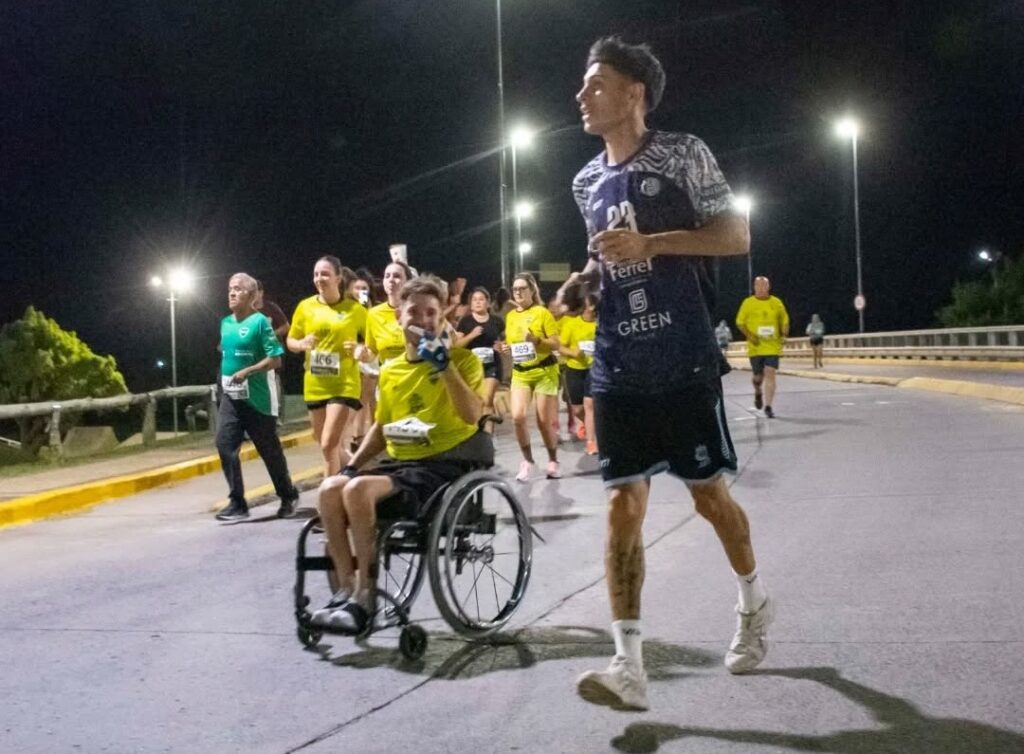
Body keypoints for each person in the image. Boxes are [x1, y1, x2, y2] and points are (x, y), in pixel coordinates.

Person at [560, 36, 770, 711]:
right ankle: (628, 665)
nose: (581, 96)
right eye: (582, 85)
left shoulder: (683, 154)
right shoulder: (585, 182)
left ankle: (753, 602)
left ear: (634, 94)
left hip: (683, 356)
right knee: (622, 505)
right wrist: (585, 281)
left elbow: (735, 235)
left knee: (709, 498)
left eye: (596, 84)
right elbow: (606, 258)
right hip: (617, 362)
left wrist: (652, 243)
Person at [311, 276, 491, 632]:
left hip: (442, 467)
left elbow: (473, 414)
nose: (423, 320)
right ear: (399, 317)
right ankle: (345, 590)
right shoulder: (391, 370)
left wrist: (444, 367)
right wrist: (351, 466)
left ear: (442, 318)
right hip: (399, 464)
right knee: (331, 488)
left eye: (432, 313)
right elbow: (382, 427)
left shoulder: (463, 361)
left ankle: (366, 597)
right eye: (414, 312)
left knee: (357, 491)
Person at [215, 273, 300, 521]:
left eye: (238, 289)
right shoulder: (225, 323)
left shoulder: (261, 322)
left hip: (259, 398)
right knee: (224, 444)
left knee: (268, 450)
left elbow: (276, 360)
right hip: (231, 397)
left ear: (252, 296)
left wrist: (248, 371)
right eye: (230, 288)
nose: (232, 293)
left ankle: (288, 495)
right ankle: (237, 503)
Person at [287, 256, 367, 476]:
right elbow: (291, 340)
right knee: (327, 445)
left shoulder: (355, 310)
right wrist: (301, 344)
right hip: (315, 384)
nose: (319, 279)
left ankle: (328, 494)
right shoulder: (305, 307)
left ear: (338, 278)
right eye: (316, 274)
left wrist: (361, 349)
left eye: (325, 274)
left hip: (344, 384)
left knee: (328, 445)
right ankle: (361, 475)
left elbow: (372, 343)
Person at [503, 272, 562, 481]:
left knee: (543, 422)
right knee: (517, 417)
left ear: (532, 291)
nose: (518, 292)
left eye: (522, 288)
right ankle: (528, 461)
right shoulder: (511, 316)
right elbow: (514, 344)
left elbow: (556, 344)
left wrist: (537, 340)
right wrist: (506, 348)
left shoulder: (542, 313)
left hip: (544, 371)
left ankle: (553, 460)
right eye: (515, 289)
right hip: (521, 372)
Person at [736, 276, 790, 417]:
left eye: (763, 285)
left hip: (772, 346)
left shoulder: (776, 302)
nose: (761, 288)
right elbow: (740, 322)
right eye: (758, 285)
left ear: (768, 287)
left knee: (770, 373)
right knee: (758, 377)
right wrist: (750, 336)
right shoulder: (748, 303)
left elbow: (784, 319)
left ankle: (768, 406)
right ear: (754, 287)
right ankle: (758, 391)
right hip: (755, 347)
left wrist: (784, 334)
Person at [455, 287, 506, 429]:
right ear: (471, 304)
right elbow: (457, 345)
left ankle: (487, 435)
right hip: (472, 367)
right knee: (476, 401)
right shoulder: (465, 322)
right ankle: (479, 429)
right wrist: (471, 335)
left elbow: (506, 341)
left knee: (487, 400)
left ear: (488, 303)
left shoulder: (497, 321)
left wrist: (502, 345)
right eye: (474, 300)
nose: (478, 302)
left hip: (492, 365)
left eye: (481, 299)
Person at [558, 292, 599, 455]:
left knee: (589, 404)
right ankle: (588, 425)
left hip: (594, 369)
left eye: (594, 304)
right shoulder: (572, 324)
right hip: (574, 369)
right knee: (577, 410)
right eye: (589, 304)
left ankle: (591, 442)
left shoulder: (600, 325)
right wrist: (572, 353)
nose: (592, 307)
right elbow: (560, 347)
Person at [365, 260, 414, 367]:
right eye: (387, 276)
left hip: (415, 375)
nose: (391, 280)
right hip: (388, 375)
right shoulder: (374, 314)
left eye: (397, 276)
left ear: (407, 282)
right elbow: (372, 351)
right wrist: (362, 354)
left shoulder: (417, 311)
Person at [254, 279, 290, 421]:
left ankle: (276, 416)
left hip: (272, 351)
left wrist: (271, 334)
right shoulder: (246, 309)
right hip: (255, 353)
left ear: (261, 292)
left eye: (254, 291)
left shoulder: (271, 308)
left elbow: (286, 327)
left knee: (274, 380)